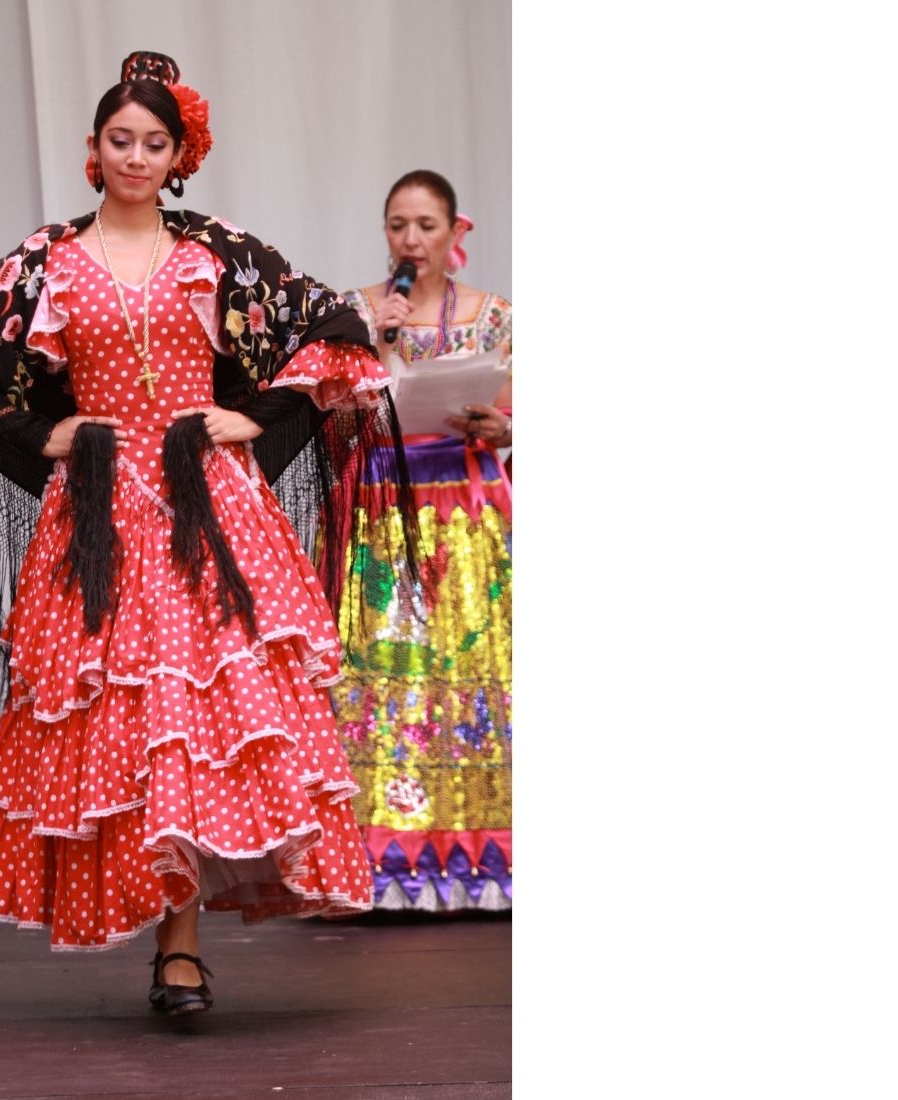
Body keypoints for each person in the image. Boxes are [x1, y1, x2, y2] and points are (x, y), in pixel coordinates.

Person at [0, 52, 419, 1015]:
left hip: (206, 510)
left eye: (153, 143)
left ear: (181, 156)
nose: (136, 157)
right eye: (120, 140)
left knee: (195, 715)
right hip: (100, 516)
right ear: (93, 149)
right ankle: (150, 920)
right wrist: (41, 432)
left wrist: (254, 415)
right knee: (121, 721)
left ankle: (180, 951)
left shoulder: (216, 253)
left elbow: (333, 330)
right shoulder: (47, 260)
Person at [330, 169, 513, 912]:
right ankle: (380, 867)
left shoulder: (493, 317)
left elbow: (513, 410)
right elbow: (333, 416)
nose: (411, 239)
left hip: (468, 513)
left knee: (474, 674)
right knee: (386, 675)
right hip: (383, 510)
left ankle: (486, 862)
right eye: (398, 225)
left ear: (453, 232)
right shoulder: (356, 312)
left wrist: (501, 426)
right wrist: (377, 346)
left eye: (426, 225)